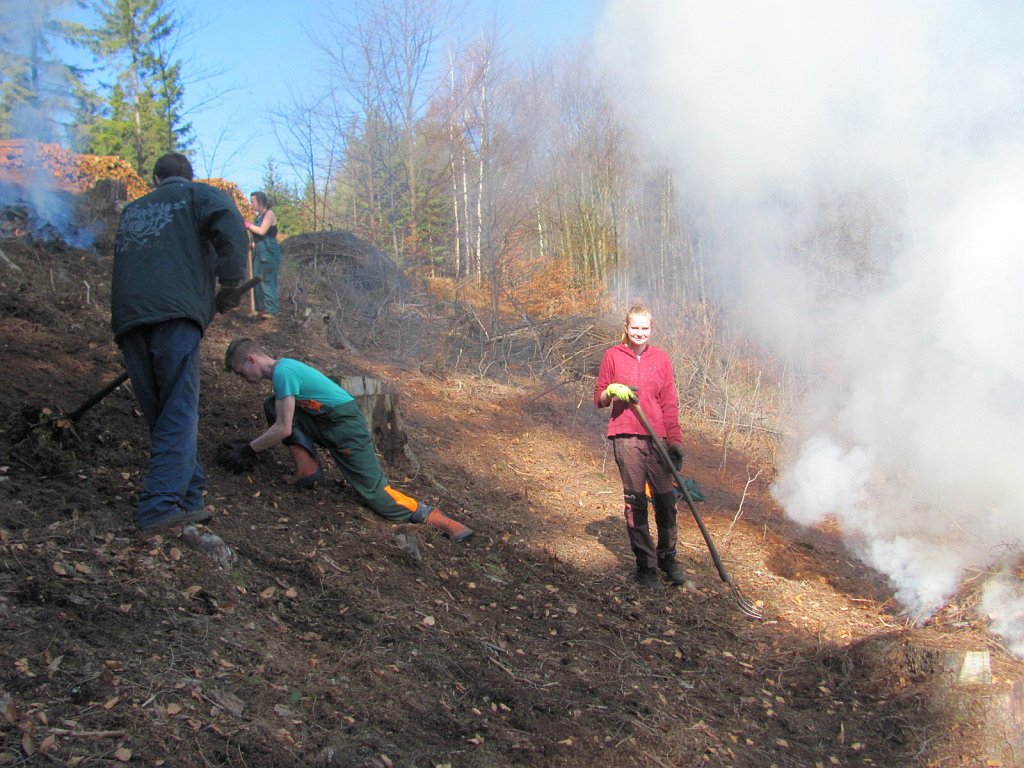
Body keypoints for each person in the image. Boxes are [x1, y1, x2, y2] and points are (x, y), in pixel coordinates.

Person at [111, 152, 249, 531]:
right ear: (188, 176)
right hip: (174, 316)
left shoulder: (132, 210)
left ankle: (189, 494)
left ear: (156, 179)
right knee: (178, 407)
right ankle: (159, 507)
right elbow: (229, 221)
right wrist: (231, 280)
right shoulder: (197, 195)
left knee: (162, 411)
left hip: (129, 319)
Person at [221, 337, 475, 542]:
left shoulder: (283, 373)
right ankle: (307, 469)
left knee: (378, 495)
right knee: (272, 405)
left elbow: (283, 428)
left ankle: (440, 520)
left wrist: (249, 448)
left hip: (346, 429)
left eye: (240, 372)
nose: (242, 378)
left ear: (251, 359)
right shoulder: (284, 370)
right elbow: (286, 419)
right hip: (326, 421)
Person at [594, 304, 687, 590]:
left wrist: (675, 441)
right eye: (635, 327)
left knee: (666, 501)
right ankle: (646, 566)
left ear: (651, 329)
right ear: (626, 327)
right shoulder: (612, 355)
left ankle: (667, 558)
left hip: (657, 438)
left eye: (644, 328)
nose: (639, 333)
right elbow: (598, 398)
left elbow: (669, 403)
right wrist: (611, 391)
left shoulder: (661, 359)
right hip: (626, 437)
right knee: (635, 502)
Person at [245, 191, 281, 319]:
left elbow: (262, 231)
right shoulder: (258, 217)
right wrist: (252, 244)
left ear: (260, 201)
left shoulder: (269, 214)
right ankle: (260, 309)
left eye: (253, 201)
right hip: (258, 253)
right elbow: (257, 236)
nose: (251, 204)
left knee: (267, 280)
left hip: (269, 252)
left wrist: (248, 225)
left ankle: (271, 310)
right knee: (256, 280)